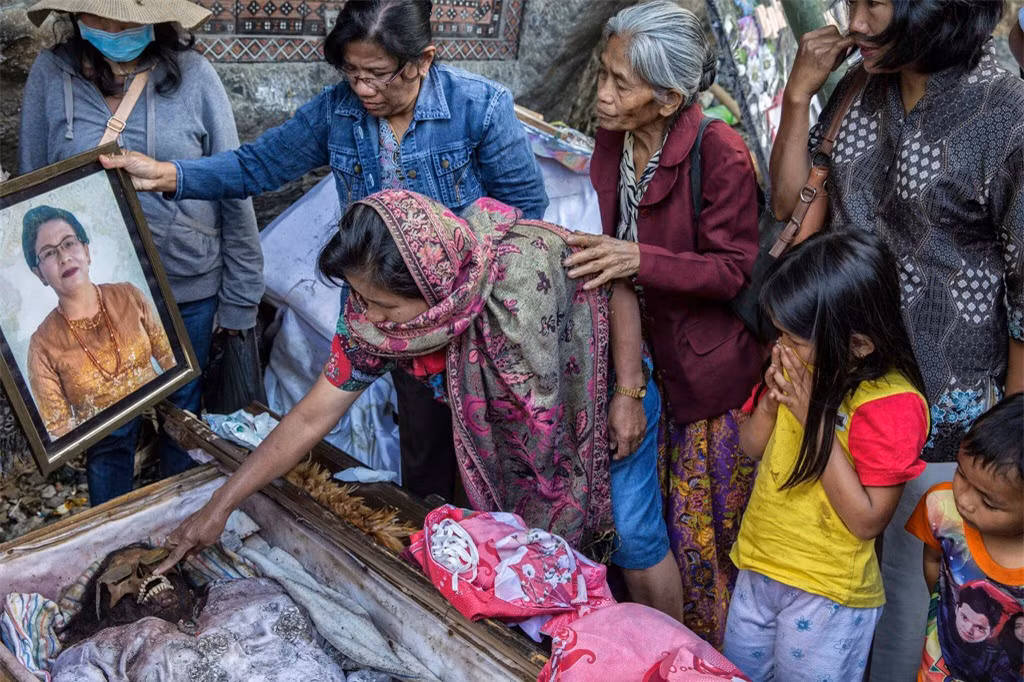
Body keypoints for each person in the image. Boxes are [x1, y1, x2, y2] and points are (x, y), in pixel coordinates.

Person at [99, 0, 547, 505]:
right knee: (424, 452)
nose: (362, 89)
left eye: (378, 74)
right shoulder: (338, 113)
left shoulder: (479, 106)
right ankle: (437, 551)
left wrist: (454, 286)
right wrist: (168, 175)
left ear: (423, 60)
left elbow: (524, 215)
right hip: (392, 319)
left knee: (488, 452)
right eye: (351, 72)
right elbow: (257, 165)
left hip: (470, 322)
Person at [153, 189, 647, 575]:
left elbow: (617, 286)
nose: (370, 319)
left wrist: (628, 393)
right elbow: (309, 417)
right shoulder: (375, 327)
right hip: (518, 448)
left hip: (608, 402)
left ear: (434, 291)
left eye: (385, 306)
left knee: (634, 540)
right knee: (526, 548)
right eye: (360, 300)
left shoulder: (528, 261)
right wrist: (220, 506)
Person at [768, 2, 1023, 677]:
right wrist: (799, 96)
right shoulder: (860, 83)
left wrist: (1010, 442)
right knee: (819, 586)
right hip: (839, 389)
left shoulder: (1008, 112)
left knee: (914, 615)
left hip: (945, 417)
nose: (853, 19)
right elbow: (793, 211)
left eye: (874, 4)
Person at [562, 0, 761, 642]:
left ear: (669, 98)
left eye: (621, 82)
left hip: (705, 378)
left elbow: (733, 269)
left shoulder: (721, 150)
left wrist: (638, 258)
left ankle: (698, 656)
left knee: (703, 537)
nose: (602, 93)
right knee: (643, 525)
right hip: (636, 358)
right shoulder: (615, 138)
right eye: (603, 73)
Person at [19, 0, 264, 506]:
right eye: (99, 17)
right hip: (96, 301)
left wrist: (241, 300)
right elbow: (33, 189)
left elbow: (234, 186)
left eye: (127, 18)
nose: (113, 29)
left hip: (188, 287)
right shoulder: (51, 74)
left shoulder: (196, 76)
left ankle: (179, 536)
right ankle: (111, 540)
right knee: (107, 433)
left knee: (184, 423)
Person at [723, 231, 930, 681]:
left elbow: (866, 520)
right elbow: (751, 447)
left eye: (792, 338)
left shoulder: (890, 404)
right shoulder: (801, 365)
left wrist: (812, 413)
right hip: (760, 566)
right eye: (779, 333)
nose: (780, 348)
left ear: (858, 344)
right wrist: (772, 402)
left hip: (827, 593)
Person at [22, 206, 175, 440]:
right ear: (39, 274)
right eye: (49, 253)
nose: (64, 257)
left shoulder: (129, 295)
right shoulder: (42, 345)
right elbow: (61, 429)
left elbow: (171, 359)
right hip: (103, 443)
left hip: (164, 417)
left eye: (69, 243)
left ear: (86, 250)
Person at [905, 393, 1023, 682]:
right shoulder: (942, 509)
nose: (965, 500)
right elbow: (934, 562)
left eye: (989, 502)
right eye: (962, 474)